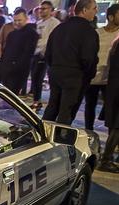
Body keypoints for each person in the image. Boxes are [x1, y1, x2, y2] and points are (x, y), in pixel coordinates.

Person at [43, 0, 99, 125]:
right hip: (75, 75)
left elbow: (48, 53)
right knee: (67, 111)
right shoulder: (88, 31)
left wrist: (54, 67)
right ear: (84, 10)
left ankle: (43, 135)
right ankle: (61, 139)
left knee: (52, 106)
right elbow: (89, 59)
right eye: (94, 8)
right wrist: (88, 75)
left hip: (56, 72)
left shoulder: (59, 28)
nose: (96, 11)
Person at [84, 4, 119, 130]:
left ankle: (112, 137)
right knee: (90, 106)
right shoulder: (97, 33)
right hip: (94, 75)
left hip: (111, 79)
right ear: (110, 17)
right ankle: (89, 131)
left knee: (112, 108)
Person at [0, 8, 38, 94]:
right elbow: (6, 52)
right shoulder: (12, 34)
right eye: (15, 20)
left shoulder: (32, 33)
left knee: (12, 96)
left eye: (19, 20)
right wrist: (1, 67)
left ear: (26, 19)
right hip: (7, 69)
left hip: (17, 71)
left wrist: (14, 67)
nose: (17, 23)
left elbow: (27, 55)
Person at [30, 1, 60, 110]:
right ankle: (36, 100)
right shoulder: (38, 23)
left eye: (44, 8)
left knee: (40, 78)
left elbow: (52, 40)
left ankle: (46, 102)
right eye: (40, 8)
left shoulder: (54, 23)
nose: (41, 10)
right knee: (35, 78)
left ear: (51, 10)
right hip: (36, 54)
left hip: (46, 54)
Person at [99, 38, 119, 172]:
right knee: (117, 126)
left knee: (115, 124)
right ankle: (106, 159)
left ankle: (107, 157)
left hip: (114, 87)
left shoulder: (116, 42)